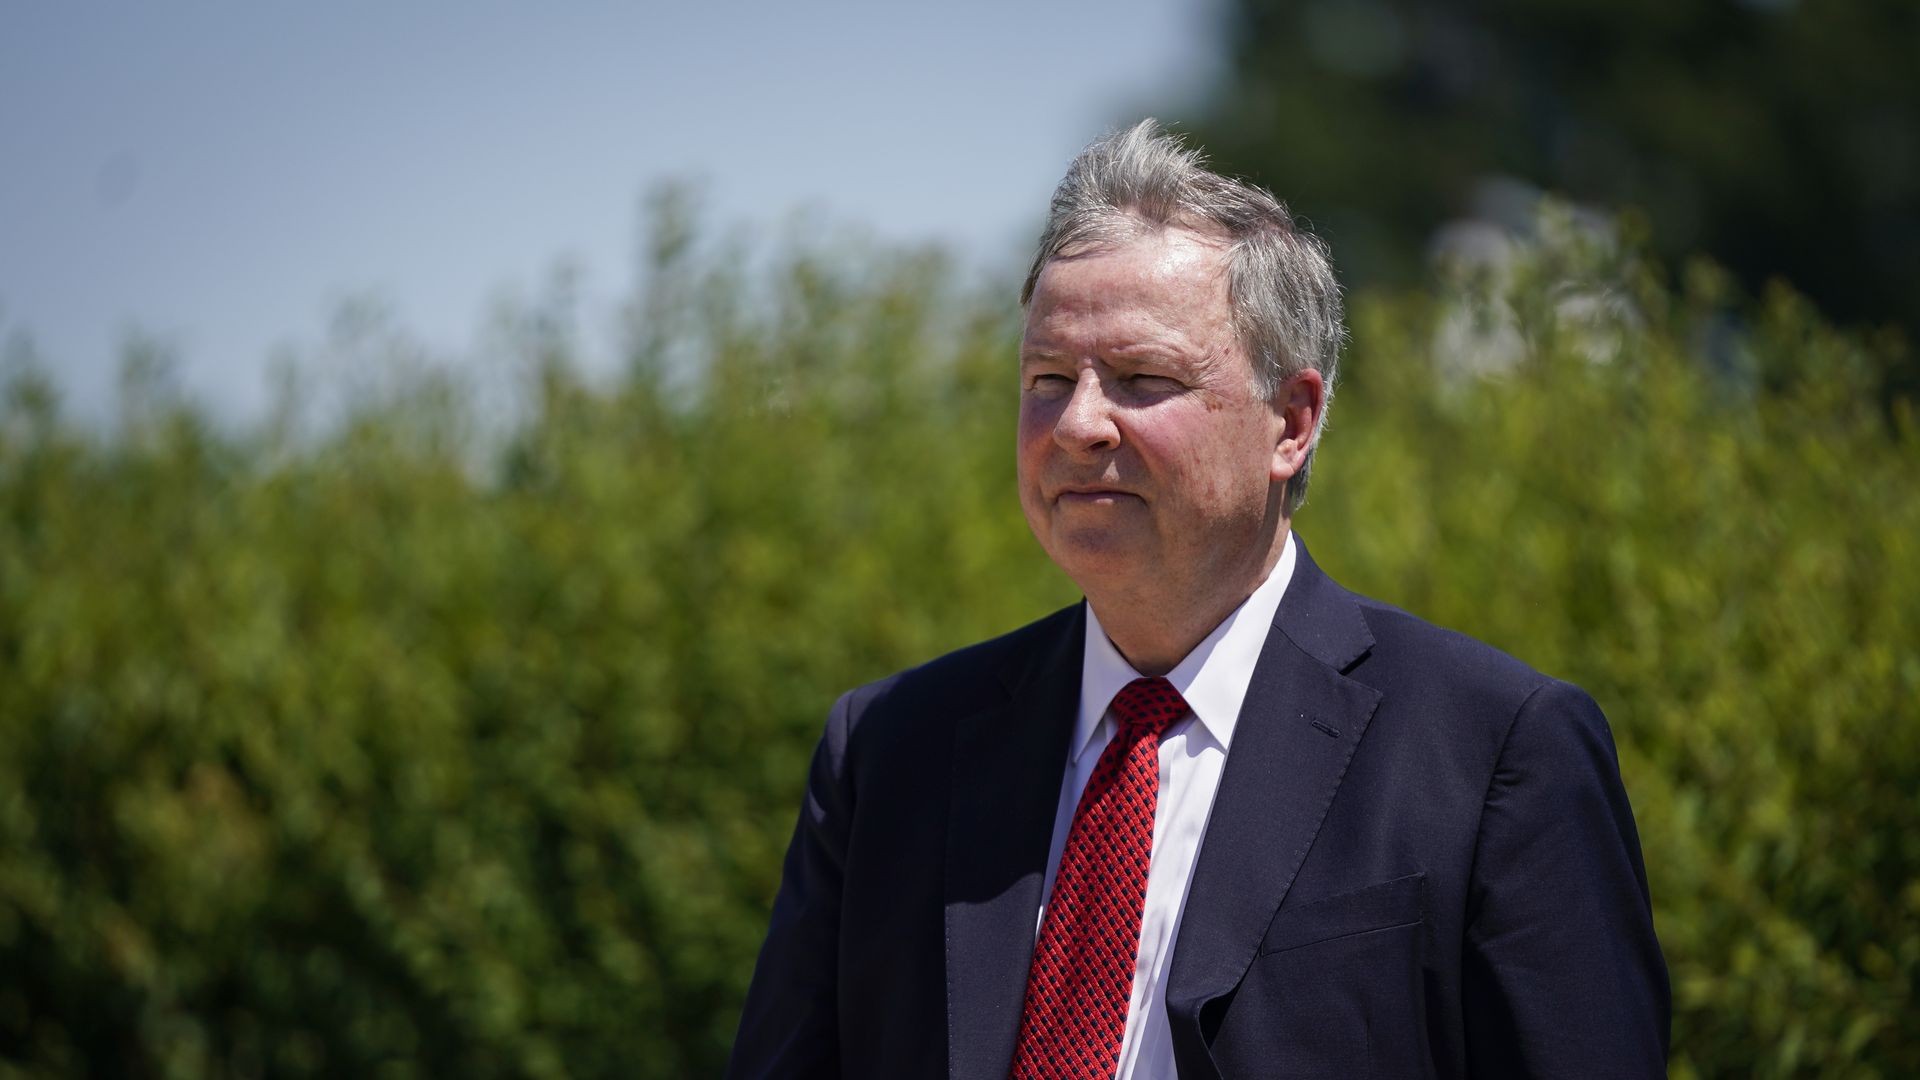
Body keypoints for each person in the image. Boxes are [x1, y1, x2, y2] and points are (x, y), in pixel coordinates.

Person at [728, 120, 1669, 1079]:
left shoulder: (1494, 751)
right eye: (1048, 379)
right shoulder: (890, 751)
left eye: (1143, 379)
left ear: (1292, 423)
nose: (1080, 424)